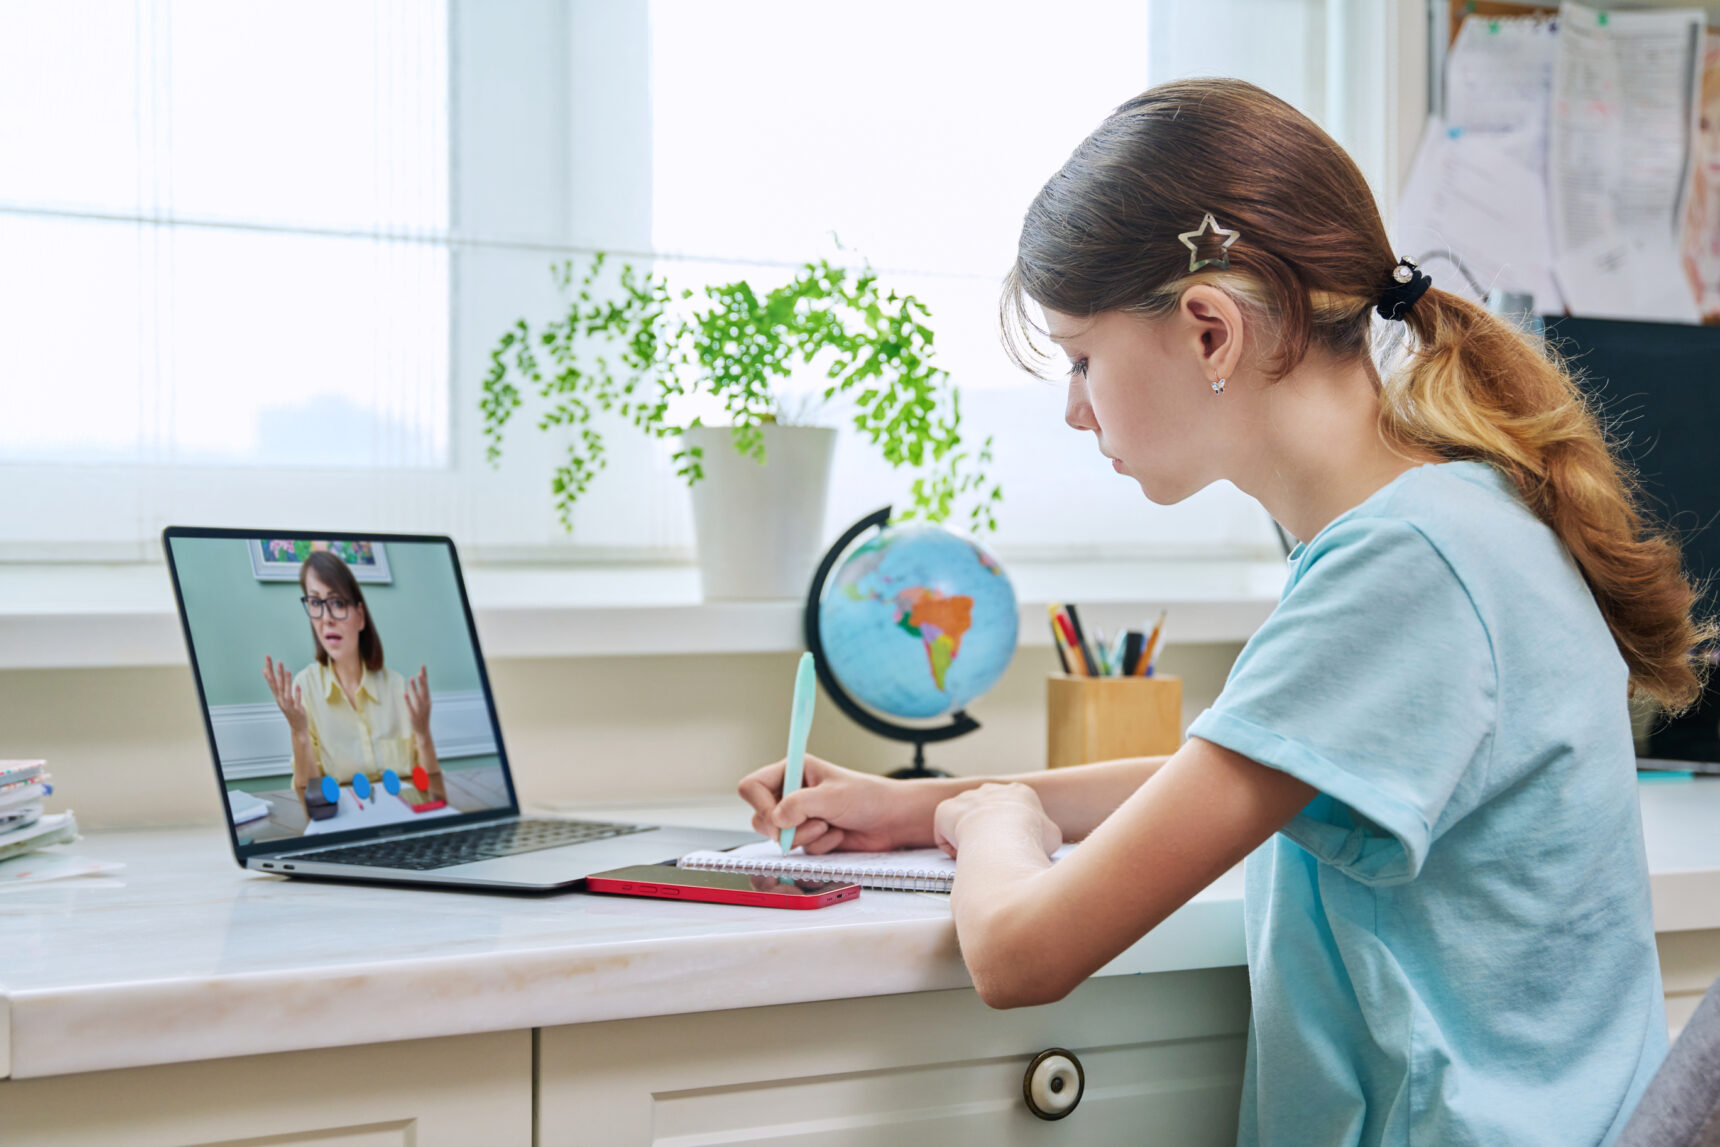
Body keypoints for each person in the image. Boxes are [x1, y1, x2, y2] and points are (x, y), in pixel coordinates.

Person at [738, 78, 1717, 1146]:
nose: (1072, 409)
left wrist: (993, 823)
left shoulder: (1401, 567)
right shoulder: (1446, 518)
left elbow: (1020, 951)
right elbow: (1244, 774)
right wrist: (938, 799)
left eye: (1079, 358)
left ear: (1209, 331)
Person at [261, 549, 445, 819]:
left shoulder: (398, 688)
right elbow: (307, 798)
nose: (326, 618)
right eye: (315, 602)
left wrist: (423, 733)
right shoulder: (305, 688)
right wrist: (298, 732)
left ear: (360, 616)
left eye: (336, 602)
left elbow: (430, 787)